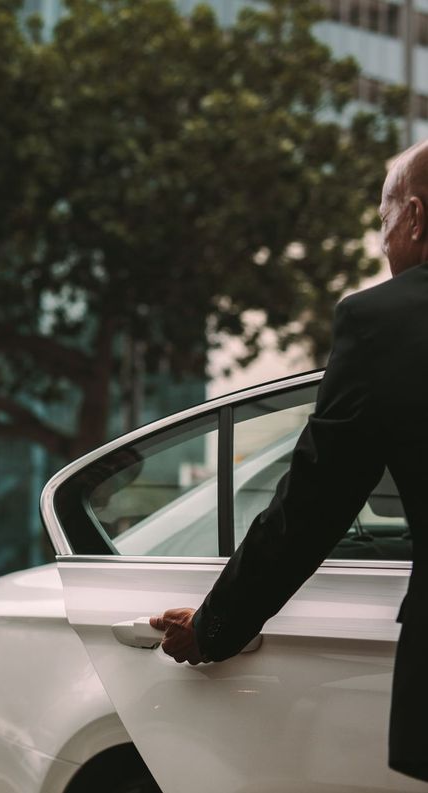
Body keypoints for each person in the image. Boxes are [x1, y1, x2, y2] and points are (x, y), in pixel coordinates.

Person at [151, 139, 428, 782]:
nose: (385, 246)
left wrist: (216, 625)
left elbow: (312, 505)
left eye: (384, 223)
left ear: (414, 217)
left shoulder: (386, 322)